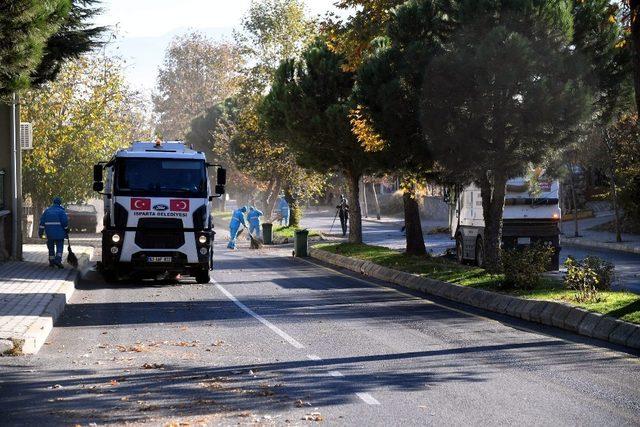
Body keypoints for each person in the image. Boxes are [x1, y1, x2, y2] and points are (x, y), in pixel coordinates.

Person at [38, 197, 69, 268]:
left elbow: (42, 223)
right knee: (59, 247)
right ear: (60, 203)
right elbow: (65, 222)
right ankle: (58, 260)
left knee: (51, 247)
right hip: (60, 234)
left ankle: (51, 262)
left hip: (49, 234)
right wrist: (67, 230)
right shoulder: (62, 211)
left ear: (53, 202)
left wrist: (40, 233)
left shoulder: (47, 211)